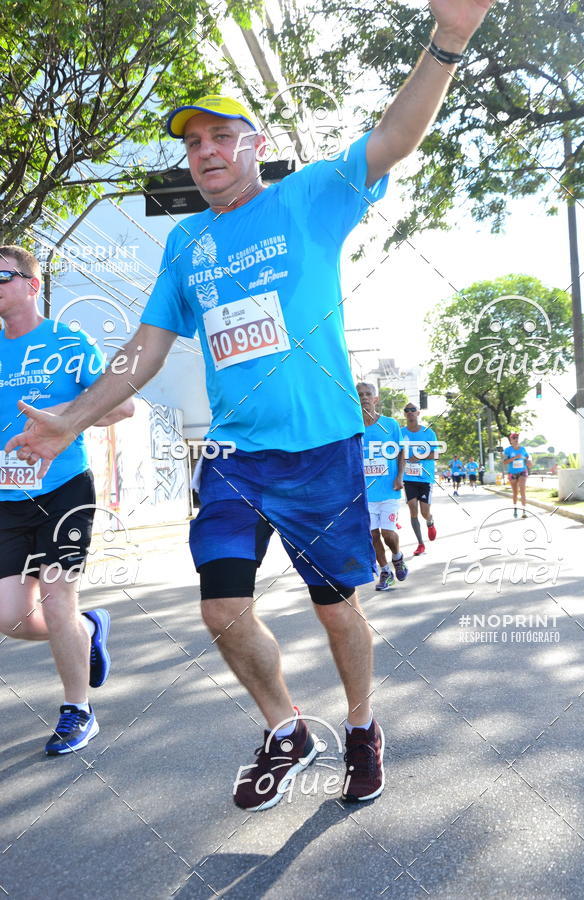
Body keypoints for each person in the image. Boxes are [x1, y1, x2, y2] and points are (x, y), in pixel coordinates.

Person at [6, 0, 492, 811]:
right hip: (233, 455)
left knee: (337, 614)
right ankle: (285, 728)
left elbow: (395, 139)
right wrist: (71, 418)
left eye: (220, 137)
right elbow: (145, 350)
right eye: (193, 143)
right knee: (221, 608)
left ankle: (363, 724)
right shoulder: (185, 243)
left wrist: (447, 40)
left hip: (323, 447)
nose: (205, 153)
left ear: (256, 147)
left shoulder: (309, 197)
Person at [0, 246, 134, 755]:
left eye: (2, 275)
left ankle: (77, 709)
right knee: (10, 616)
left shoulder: (69, 341)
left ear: (33, 285)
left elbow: (121, 405)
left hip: (63, 489)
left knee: (58, 602)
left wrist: (65, 412)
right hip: (5, 496)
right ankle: (90, 629)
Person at [357, 382, 408, 591]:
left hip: (389, 490)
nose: (364, 397)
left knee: (387, 533)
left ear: (375, 399)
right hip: (365, 492)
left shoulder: (390, 424)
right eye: (360, 394)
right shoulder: (352, 426)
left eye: (368, 394)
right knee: (372, 535)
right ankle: (385, 572)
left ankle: (397, 557)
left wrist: (400, 476)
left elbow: (400, 452)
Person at [400, 404, 439, 556]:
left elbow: (436, 454)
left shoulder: (428, 433)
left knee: (424, 512)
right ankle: (420, 544)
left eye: (412, 410)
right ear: (405, 415)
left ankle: (430, 521)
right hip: (408, 477)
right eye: (407, 411)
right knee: (412, 509)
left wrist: (420, 456)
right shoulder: (400, 433)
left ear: (418, 413)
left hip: (425, 478)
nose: (410, 413)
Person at [503, 432, 532, 517]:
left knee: (522, 490)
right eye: (514, 438)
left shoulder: (523, 449)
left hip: (522, 471)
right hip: (512, 473)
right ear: (511, 440)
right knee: (515, 493)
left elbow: (528, 457)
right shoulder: (507, 450)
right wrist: (515, 458)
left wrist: (529, 461)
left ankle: (524, 511)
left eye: (517, 438)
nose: (516, 440)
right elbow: (505, 462)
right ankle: (515, 509)